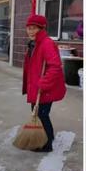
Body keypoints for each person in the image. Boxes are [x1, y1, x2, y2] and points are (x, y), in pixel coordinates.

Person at [22, 14, 66, 152]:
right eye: (28, 28)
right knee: (42, 115)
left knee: (41, 116)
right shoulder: (33, 44)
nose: (30, 31)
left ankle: (45, 145)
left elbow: (55, 66)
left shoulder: (46, 43)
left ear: (41, 28)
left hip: (45, 88)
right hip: (36, 87)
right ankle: (49, 136)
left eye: (34, 28)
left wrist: (43, 83)